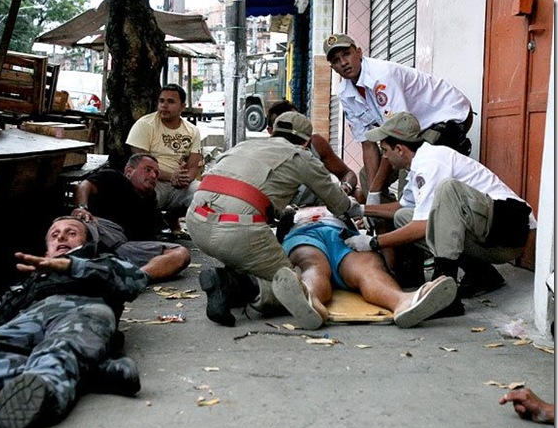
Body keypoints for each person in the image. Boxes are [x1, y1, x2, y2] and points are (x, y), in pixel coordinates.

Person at [0, 217, 150, 428]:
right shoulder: (31, 278)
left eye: (71, 232)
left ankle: (31, 399)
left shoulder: (98, 259)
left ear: (86, 241)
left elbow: (135, 279)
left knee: (61, 348)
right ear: (46, 247)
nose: (61, 237)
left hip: (82, 310)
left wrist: (71, 266)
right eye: (55, 234)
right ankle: (87, 373)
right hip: (27, 320)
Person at [343, 112, 536, 318]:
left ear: (399, 149)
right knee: (403, 216)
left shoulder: (433, 161)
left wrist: (373, 242)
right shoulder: (416, 168)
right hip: (487, 233)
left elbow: (423, 225)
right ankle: (482, 275)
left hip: (509, 233)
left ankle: (446, 293)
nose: (385, 157)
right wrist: (361, 209)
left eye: (385, 151)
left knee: (448, 191)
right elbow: (401, 208)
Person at [185, 112, 362, 330]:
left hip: (196, 221)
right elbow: (339, 204)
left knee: (248, 258)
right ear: (306, 141)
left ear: (273, 132)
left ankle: (226, 283)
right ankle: (238, 285)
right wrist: (356, 205)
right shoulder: (301, 156)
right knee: (296, 284)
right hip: (238, 230)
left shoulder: (243, 146)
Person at [324, 33, 473, 206]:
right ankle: (384, 227)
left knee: (410, 177)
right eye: (336, 60)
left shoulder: (382, 75)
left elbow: (400, 136)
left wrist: (375, 191)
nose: (343, 63)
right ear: (333, 67)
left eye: (346, 54)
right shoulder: (345, 94)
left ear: (358, 52)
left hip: (448, 115)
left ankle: (410, 226)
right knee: (366, 178)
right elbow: (367, 144)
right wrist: (373, 192)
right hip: (413, 129)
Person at [278, 205, 457, 328]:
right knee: (312, 265)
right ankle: (310, 300)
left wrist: (350, 195)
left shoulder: (340, 201)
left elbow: (351, 181)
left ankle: (403, 302)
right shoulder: (292, 205)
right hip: (304, 234)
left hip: (343, 235)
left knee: (369, 268)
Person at [71, 153, 191, 282]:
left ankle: (134, 279)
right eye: (148, 170)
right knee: (78, 227)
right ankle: (70, 268)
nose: (153, 176)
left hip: (122, 247)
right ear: (129, 171)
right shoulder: (114, 177)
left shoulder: (150, 200)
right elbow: (84, 186)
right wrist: (82, 208)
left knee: (180, 254)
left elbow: (147, 240)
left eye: (156, 173)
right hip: (99, 230)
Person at [126, 83, 202, 238]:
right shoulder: (144, 125)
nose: (164, 106)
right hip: (154, 180)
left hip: (179, 183)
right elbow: (141, 164)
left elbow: (194, 164)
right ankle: (147, 229)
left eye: (170, 102)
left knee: (203, 193)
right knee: (140, 187)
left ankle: (173, 219)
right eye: (161, 101)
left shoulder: (192, 130)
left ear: (182, 106)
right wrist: (171, 177)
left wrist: (185, 178)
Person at [266, 100, 360, 204]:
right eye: (285, 128)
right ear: (271, 131)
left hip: (319, 205)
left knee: (358, 195)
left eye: (297, 124)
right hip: (281, 210)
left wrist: (345, 188)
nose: (291, 134)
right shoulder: (265, 154)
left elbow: (347, 173)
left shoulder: (315, 143)